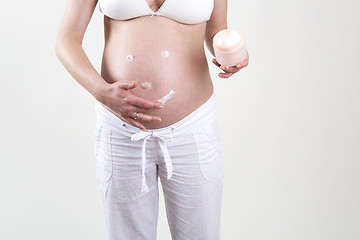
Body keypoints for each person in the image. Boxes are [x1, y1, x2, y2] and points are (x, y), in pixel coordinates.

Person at [55, 0, 249, 239]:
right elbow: (66, 39)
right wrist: (100, 91)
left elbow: (216, 30)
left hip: (192, 127)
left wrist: (230, 52)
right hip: (121, 130)